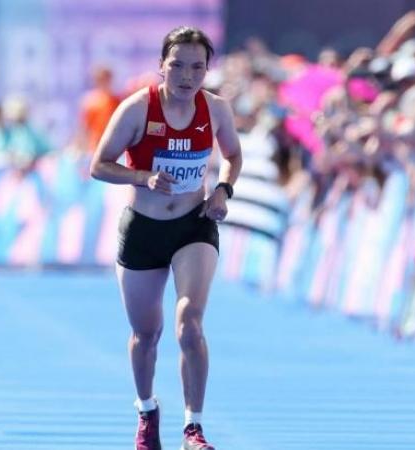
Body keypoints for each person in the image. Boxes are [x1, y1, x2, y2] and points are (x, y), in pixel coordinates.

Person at [90, 26, 242, 450]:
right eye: (177, 65)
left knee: (190, 322)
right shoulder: (138, 109)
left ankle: (193, 428)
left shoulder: (216, 110)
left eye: (197, 67)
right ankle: (146, 410)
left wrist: (222, 190)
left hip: (193, 225)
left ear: (207, 70)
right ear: (162, 66)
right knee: (146, 335)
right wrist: (142, 176)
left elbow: (232, 155)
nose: (187, 76)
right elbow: (99, 165)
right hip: (143, 229)